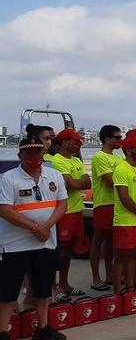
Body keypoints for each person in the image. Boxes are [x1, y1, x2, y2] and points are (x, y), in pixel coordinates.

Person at [0, 138, 69, 340]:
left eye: (38, 153)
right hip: (15, 246)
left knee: (43, 288)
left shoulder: (54, 175)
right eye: (29, 154)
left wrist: (45, 227)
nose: (34, 158)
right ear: (20, 156)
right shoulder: (8, 178)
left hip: (46, 242)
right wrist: (35, 227)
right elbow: (4, 210)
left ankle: (43, 327)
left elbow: (62, 204)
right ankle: (3, 331)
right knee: (7, 291)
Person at [51, 128, 90, 299]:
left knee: (67, 252)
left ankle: (64, 284)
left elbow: (86, 182)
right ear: (65, 141)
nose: (78, 145)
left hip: (77, 210)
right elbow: (71, 184)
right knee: (57, 251)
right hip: (63, 212)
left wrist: (77, 182)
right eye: (75, 141)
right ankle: (53, 288)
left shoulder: (76, 161)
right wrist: (78, 182)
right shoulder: (57, 161)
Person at [111, 135, 136, 297]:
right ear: (128, 151)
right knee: (122, 256)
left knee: (135, 253)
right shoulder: (121, 169)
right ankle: (117, 291)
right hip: (126, 220)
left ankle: (130, 287)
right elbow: (124, 197)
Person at [89, 125, 122, 292]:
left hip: (117, 203)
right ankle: (96, 277)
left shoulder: (118, 158)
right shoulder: (99, 157)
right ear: (107, 139)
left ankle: (110, 274)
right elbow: (111, 180)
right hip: (104, 203)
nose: (119, 140)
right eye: (117, 137)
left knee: (111, 242)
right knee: (98, 240)